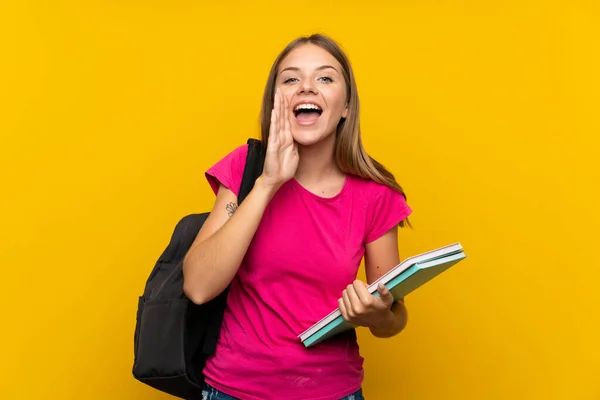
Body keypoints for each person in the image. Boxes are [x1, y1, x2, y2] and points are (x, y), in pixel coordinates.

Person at [182, 33, 413, 400]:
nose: (307, 87)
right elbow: (197, 287)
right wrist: (267, 183)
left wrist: (375, 314)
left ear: (346, 107)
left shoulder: (376, 195)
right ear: (277, 103)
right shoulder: (245, 168)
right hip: (233, 391)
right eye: (291, 79)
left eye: (324, 78)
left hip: (333, 391)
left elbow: (393, 318)